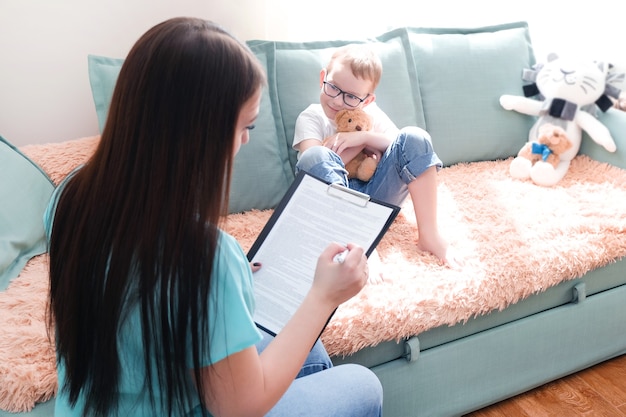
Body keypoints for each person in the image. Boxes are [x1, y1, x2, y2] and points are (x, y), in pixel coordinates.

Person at [45, 17, 382, 417]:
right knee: (363, 385)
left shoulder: (70, 196)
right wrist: (324, 296)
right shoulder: (204, 256)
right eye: (245, 125)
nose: (245, 140)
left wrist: (227, 282)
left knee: (305, 347)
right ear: (199, 135)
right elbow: (240, 409)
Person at [294, 44, 461, 269]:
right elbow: (312, 165)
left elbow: (400, 146)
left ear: (367, 101)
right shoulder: (311, 117)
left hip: (377, 195)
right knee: (316, 156)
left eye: (351, 96)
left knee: (415, 136)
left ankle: (429, 234)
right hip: (333, 207)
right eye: (333, 87)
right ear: (323, 77)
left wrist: (362, 138)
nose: (337, 101)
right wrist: (356, 145)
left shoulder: (369, 115)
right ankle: (356, 239)